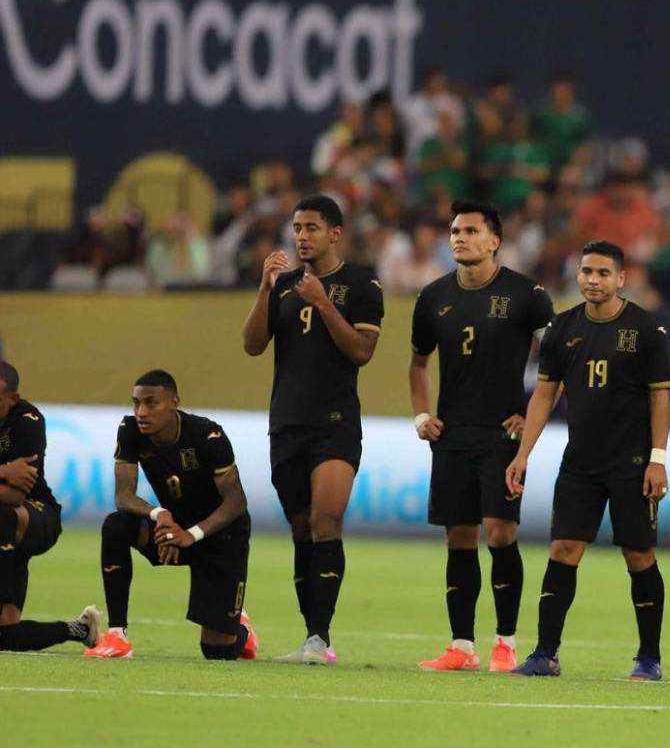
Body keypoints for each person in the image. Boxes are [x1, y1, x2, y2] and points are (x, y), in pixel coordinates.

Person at [505, 240, 670, 680]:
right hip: (580, 461)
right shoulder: (561, 329)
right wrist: (523, 453)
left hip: (632, 463)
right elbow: (544, 394)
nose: (592, 281)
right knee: (563, 549)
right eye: (586, 272)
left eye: (602, 273)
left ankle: (649, 658)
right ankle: (545, 654)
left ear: (621, 278)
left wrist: (657, 459)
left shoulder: (645, 330)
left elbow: (661, 399)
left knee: (639, 555)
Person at [409, 200, 555, 672]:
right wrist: (421, 417)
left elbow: (558, 364)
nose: (459, 237)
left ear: (494, 241)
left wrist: (528, 420)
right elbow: (417, 363)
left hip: (501, 435)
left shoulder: (526, 295)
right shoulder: (432, 297)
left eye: (470, 230)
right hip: (451, 435)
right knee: (459, 538)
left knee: (500, 532)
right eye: (454, 230)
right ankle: (461, 647)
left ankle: (506, 643)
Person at [242, 194, 384, 665]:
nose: (302, 236)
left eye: (311, 228)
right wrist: (264, 290)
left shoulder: (362, 284)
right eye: (297, 228)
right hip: (286, 422)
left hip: (335, 424)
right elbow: (253, 346)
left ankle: (321, 639)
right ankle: (311, 637)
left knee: (326, 519)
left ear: (335, 234)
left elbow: (361, 351)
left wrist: (323, 303)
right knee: (301, 528)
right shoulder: (281, 285)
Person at [86, 370, 257, 661]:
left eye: (151, 403)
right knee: (116, 526)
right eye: (136, 403)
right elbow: (123, 497)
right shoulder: (130, 431)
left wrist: (193, 534)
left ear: (174, 402)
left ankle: (240, 626)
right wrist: (159, 513)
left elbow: (236, 502)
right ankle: (117, 635)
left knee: (217, 651)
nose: (141, 412)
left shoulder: (207, 436)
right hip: (174, 529)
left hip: (220, 534)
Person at [0, 361, 101, 653]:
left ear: (13, 399)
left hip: (36, 515)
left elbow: (14, 497)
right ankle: (79, 629)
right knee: (7, 637)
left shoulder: (27, 421)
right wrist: (5, 469)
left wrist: (8, 479)